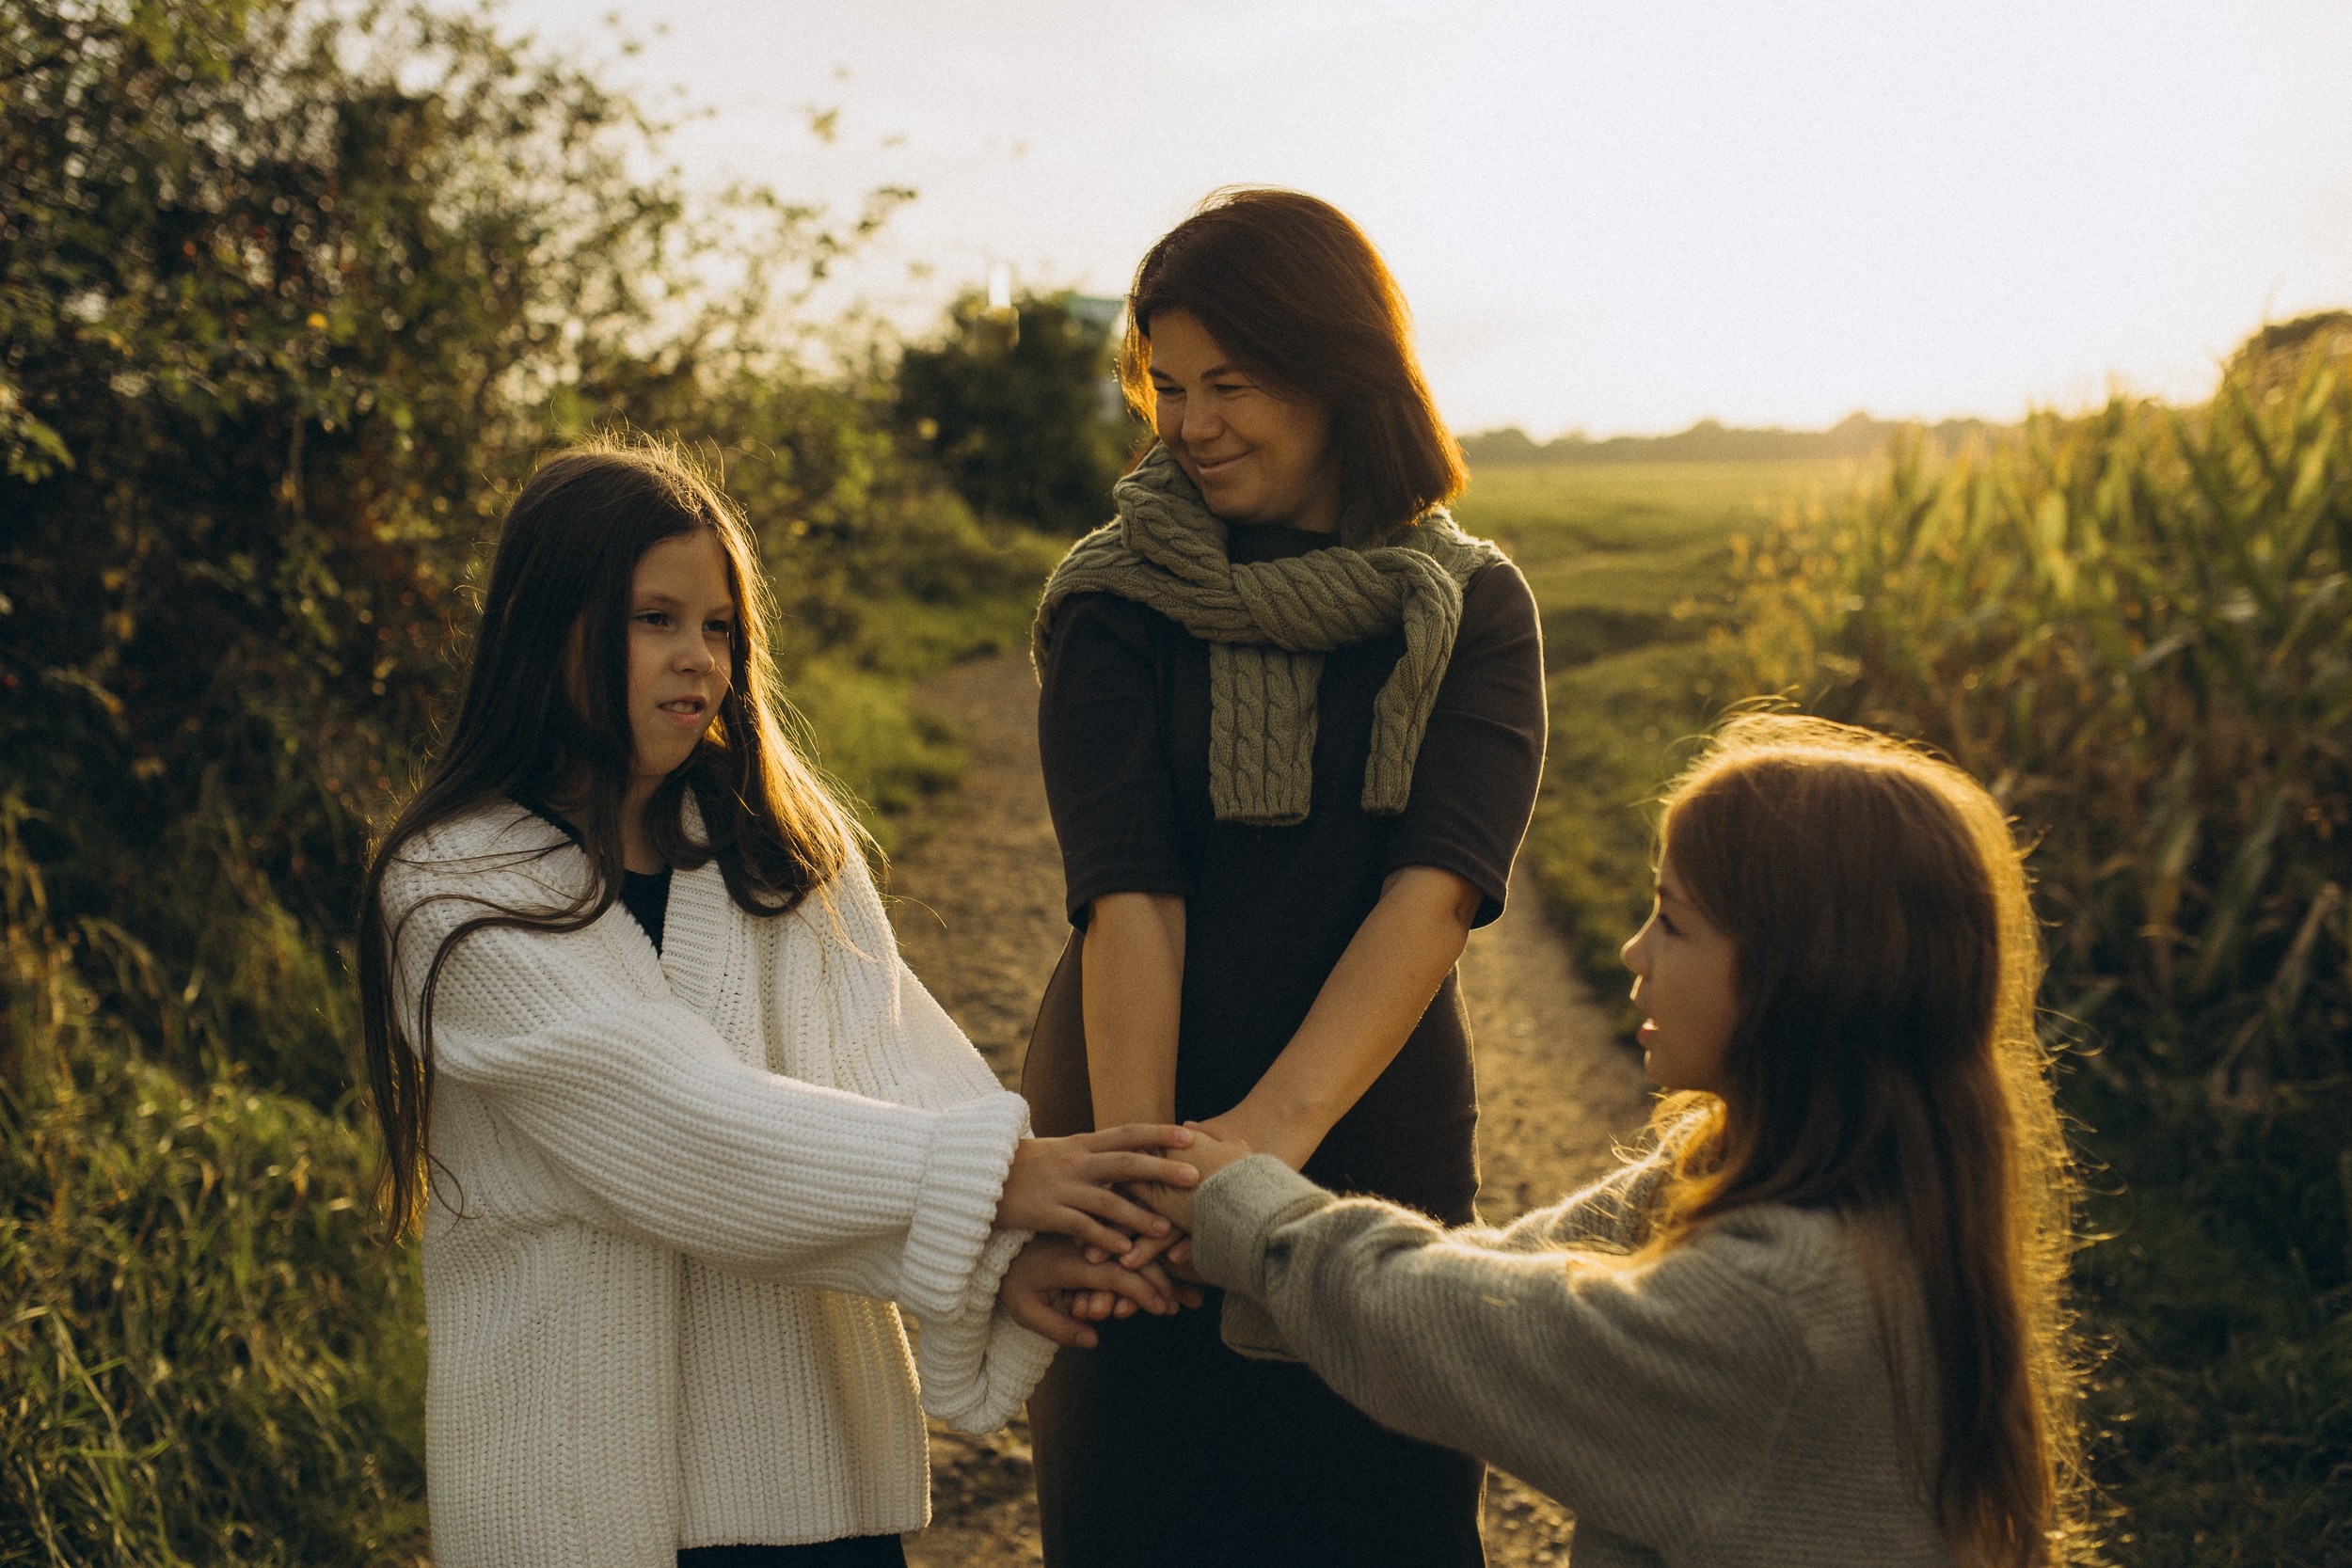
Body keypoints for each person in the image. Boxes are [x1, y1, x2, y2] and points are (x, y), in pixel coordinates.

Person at [355, 437, 1201, 1568]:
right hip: (570, 1489)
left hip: (809, 1478)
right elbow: (683, 1127)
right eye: (653, 618)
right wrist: (1005, 1178)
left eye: (717, 627)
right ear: (541, 623)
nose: (696, 658)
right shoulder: (451, 889)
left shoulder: (778, 849)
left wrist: (1011, 1252)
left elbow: (890, 1065)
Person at [1150, 715, 2094, 1568]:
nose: (1632, 950)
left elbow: (1480, 1331)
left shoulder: (1779, 1304)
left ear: (1801, 984)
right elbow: (1494, 1271)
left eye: (1672, 921)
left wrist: (1249, 1213)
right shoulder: (1803, 1172)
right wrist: (1224, 1238)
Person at [1022, 188, 1548, 1565]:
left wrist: (1268, 1140)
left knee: (1380, 1508)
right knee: (1142, 1512)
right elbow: (1128, 888)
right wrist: (1145, 1180)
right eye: (1170, 385)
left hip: (1370, 1130)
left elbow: (1434, 891)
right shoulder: (1111, 601)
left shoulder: (1471, 605)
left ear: (1336, 369)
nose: (1190, 424)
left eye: (1231, 384)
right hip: (1133, 1102)